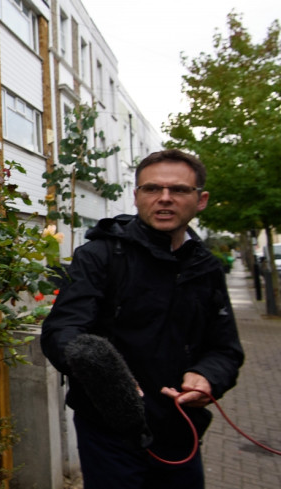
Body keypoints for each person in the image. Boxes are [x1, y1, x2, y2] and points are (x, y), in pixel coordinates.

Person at [40, 149, 244, 489]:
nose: (164, 199)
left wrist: (208, 377)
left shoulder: (206, 266)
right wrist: (103, 373)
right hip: (110, 430)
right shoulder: (100, 255)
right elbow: (62, 331)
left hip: (181, 427)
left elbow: (225, 348)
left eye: (178, 190)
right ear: (136, 196)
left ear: (201, 199)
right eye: (152, 189)